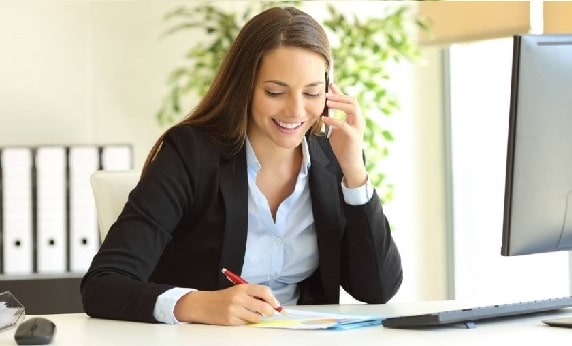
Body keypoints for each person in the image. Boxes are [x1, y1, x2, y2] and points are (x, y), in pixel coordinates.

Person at [80, 6, 402, 326]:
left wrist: (355, 175)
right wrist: (197, 304)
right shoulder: (190, 153)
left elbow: (378, 289)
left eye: (312, 92)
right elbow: (103, 284)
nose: (296, 110)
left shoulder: (333, 157)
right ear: (244, 85)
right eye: (275, 92)